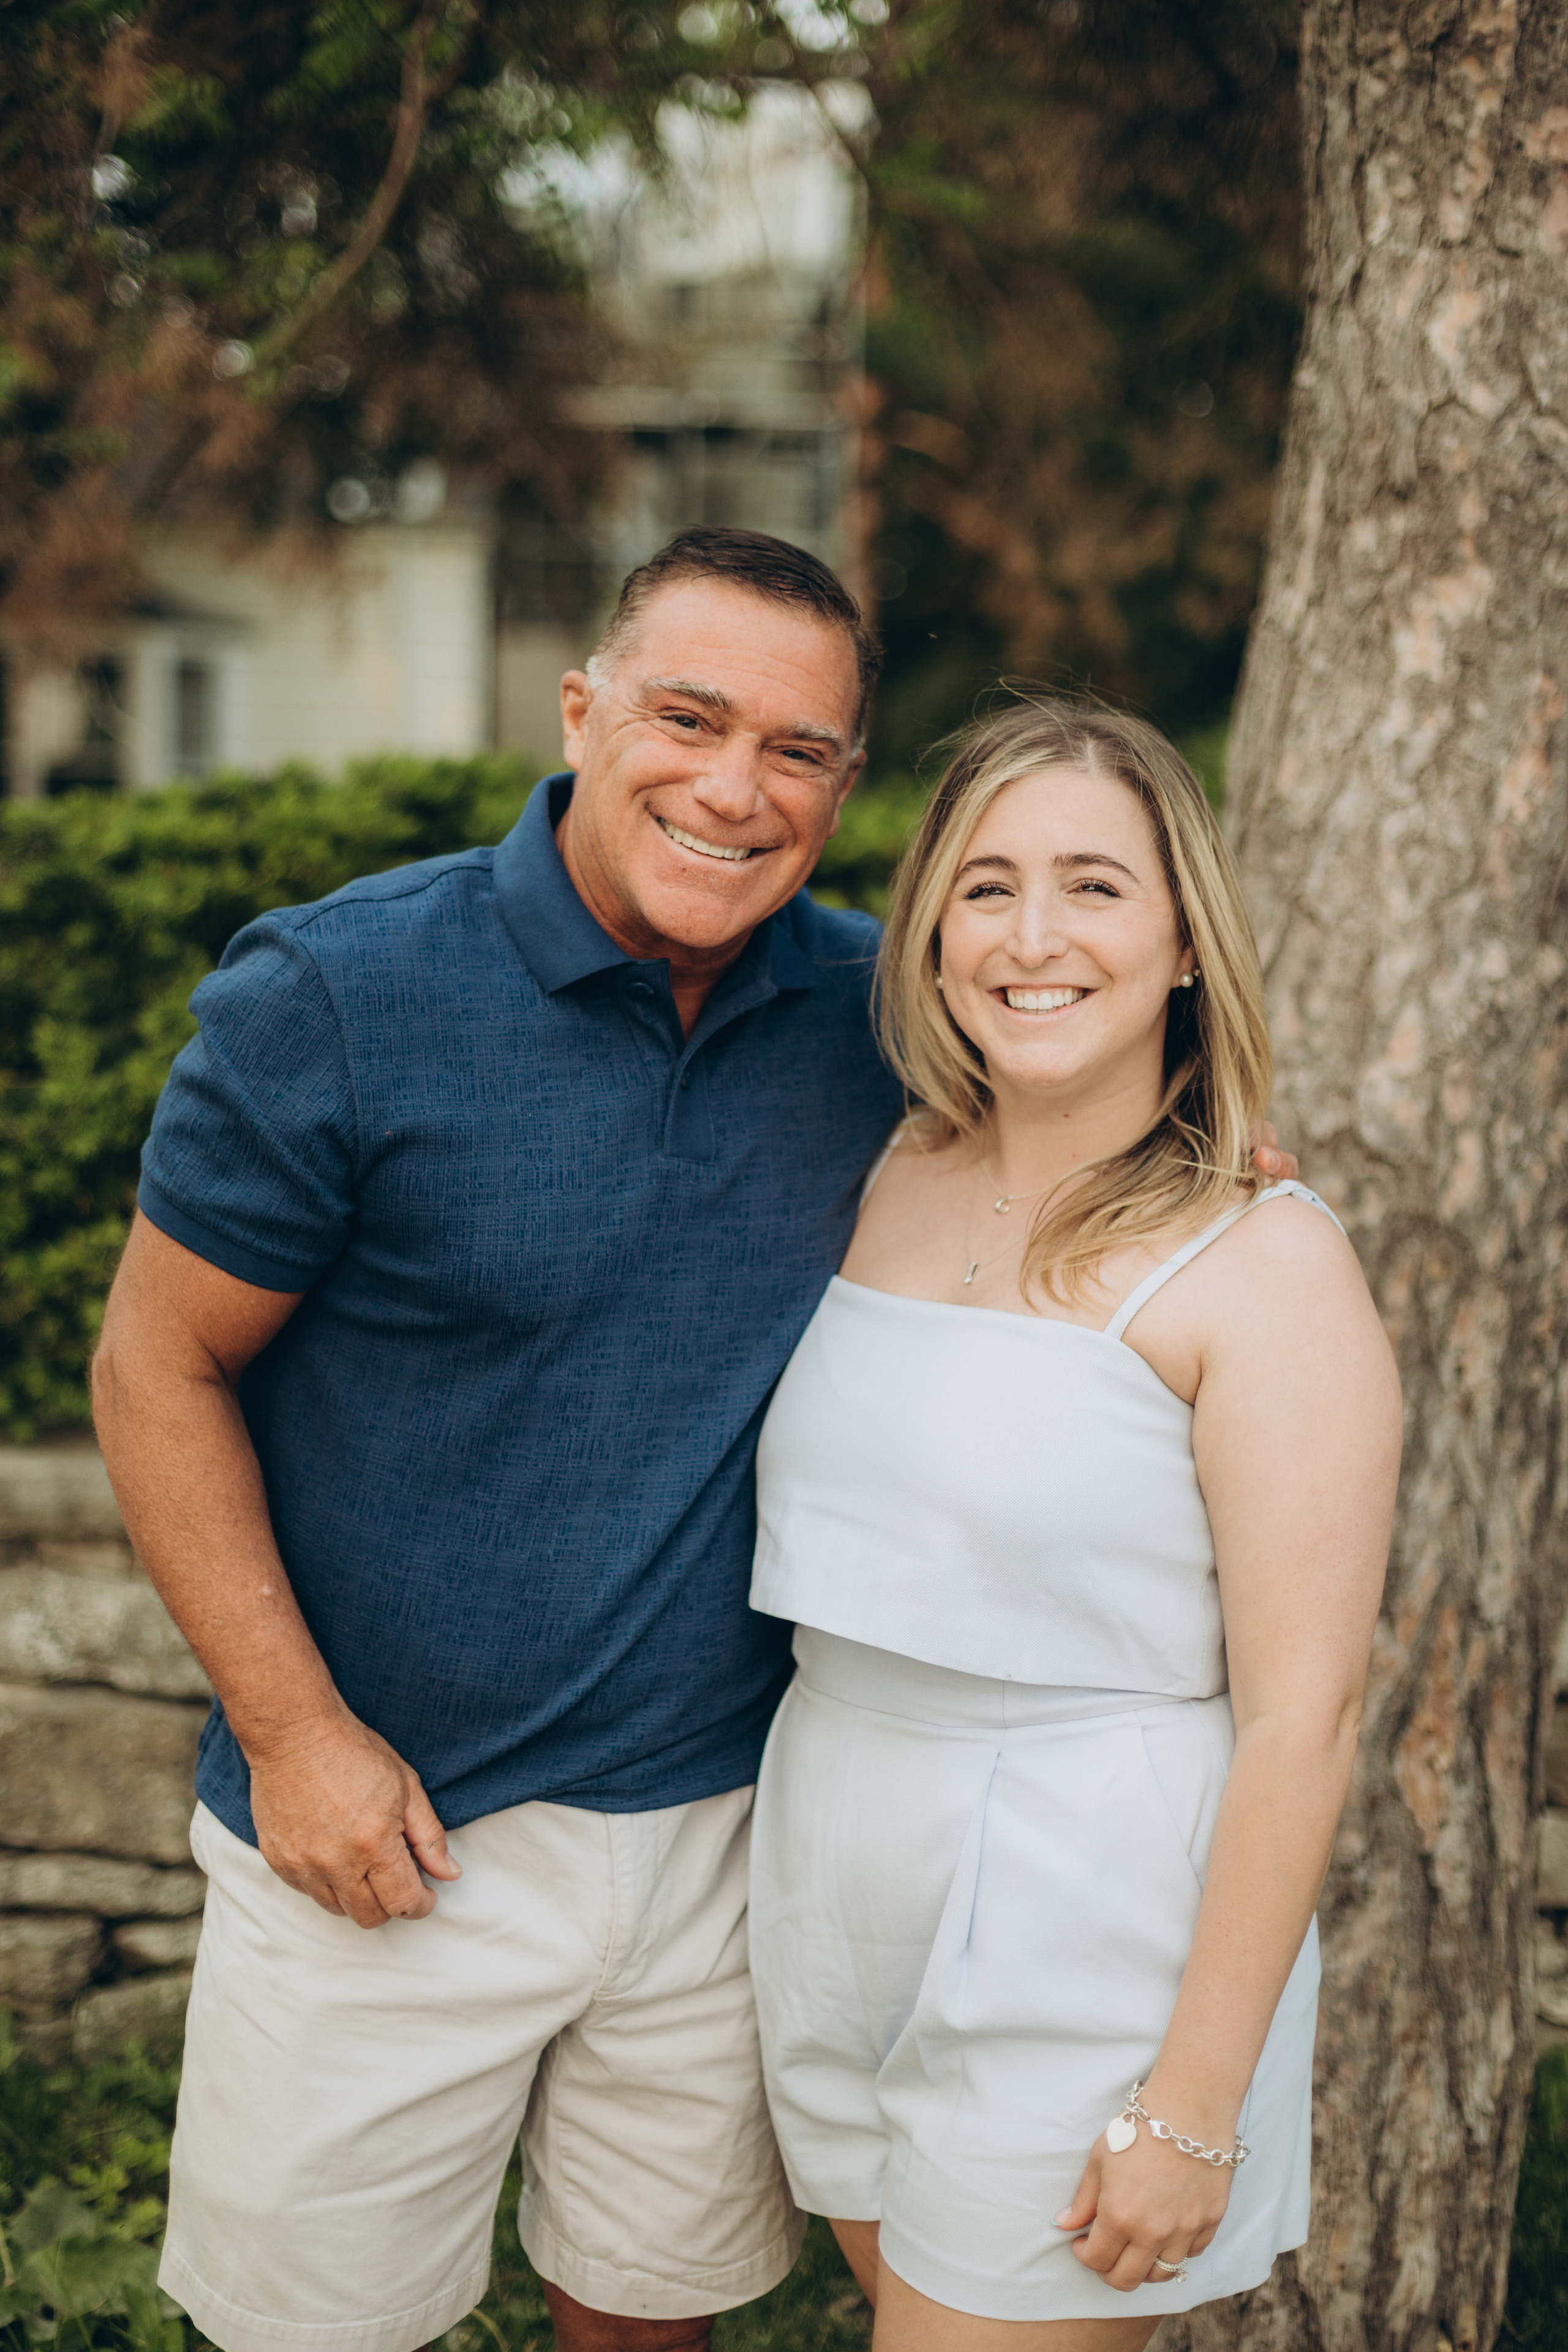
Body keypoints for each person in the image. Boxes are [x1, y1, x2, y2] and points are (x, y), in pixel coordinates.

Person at [91, 530, 1295, 2352]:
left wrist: (1235, 1180)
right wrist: (294, 1734)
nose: (736, 789)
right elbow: (152, 1366)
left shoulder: (878, 1016)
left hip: (728, 1843)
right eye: (689, 716)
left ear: (842, 783)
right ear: (582, 711)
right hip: (388, 1829)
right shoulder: (338, 999)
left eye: (800, 751)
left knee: (652, 2322)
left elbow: (1083, 1087)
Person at [747, 697, 1402, 2349]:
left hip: (1086, 1917)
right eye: (986, 887)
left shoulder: (1260, 1263)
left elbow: (1304, 1719)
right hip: (831, 1874)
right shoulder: (887, 1164)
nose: (1034, 937)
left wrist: (1194, 2098)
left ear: (1185, 937)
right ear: (929, 935)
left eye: (1096, 887)